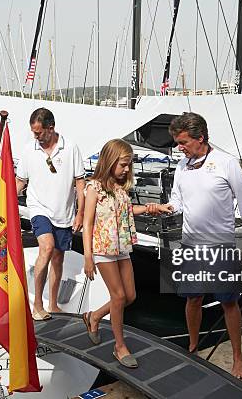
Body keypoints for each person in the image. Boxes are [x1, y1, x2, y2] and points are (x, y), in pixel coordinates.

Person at [163, 112, 242, 380]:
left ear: (200, 138)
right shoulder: (182, 166)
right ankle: (193, 348)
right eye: (177, 143)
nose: (179, 148)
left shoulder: (226, 163)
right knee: (193, 298)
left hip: (221, 246)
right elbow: (177, 202)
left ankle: (238, 359)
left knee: (229, 302)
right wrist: (163, 208)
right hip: (191, 245)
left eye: (183, 142)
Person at [82, 139, 164, 369]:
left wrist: (152, 207)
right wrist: (88, 256)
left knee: (130, 296)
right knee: (118, 297)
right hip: (103, 249)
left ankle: (94, 316)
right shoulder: (93, 188)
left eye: (129, 165)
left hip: (122, 247)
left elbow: (128, 210)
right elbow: (87, 224)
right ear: (110, 161)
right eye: (124, 164)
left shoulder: (120, 188)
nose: (127, 169)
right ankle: (120, 347)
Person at [15, 108, 86, 320]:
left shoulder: (70, 147)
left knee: (57, 259)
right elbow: (21, 182)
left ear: (51, 128)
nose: (35, 137)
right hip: (39, 208)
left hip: (63, 212)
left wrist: (80, 213)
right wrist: (3, 202)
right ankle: (37, 304)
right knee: (46, 247)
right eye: (33, 133)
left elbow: (80, 182)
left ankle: (53, 304)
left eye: (38, 132)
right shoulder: (29, 149)